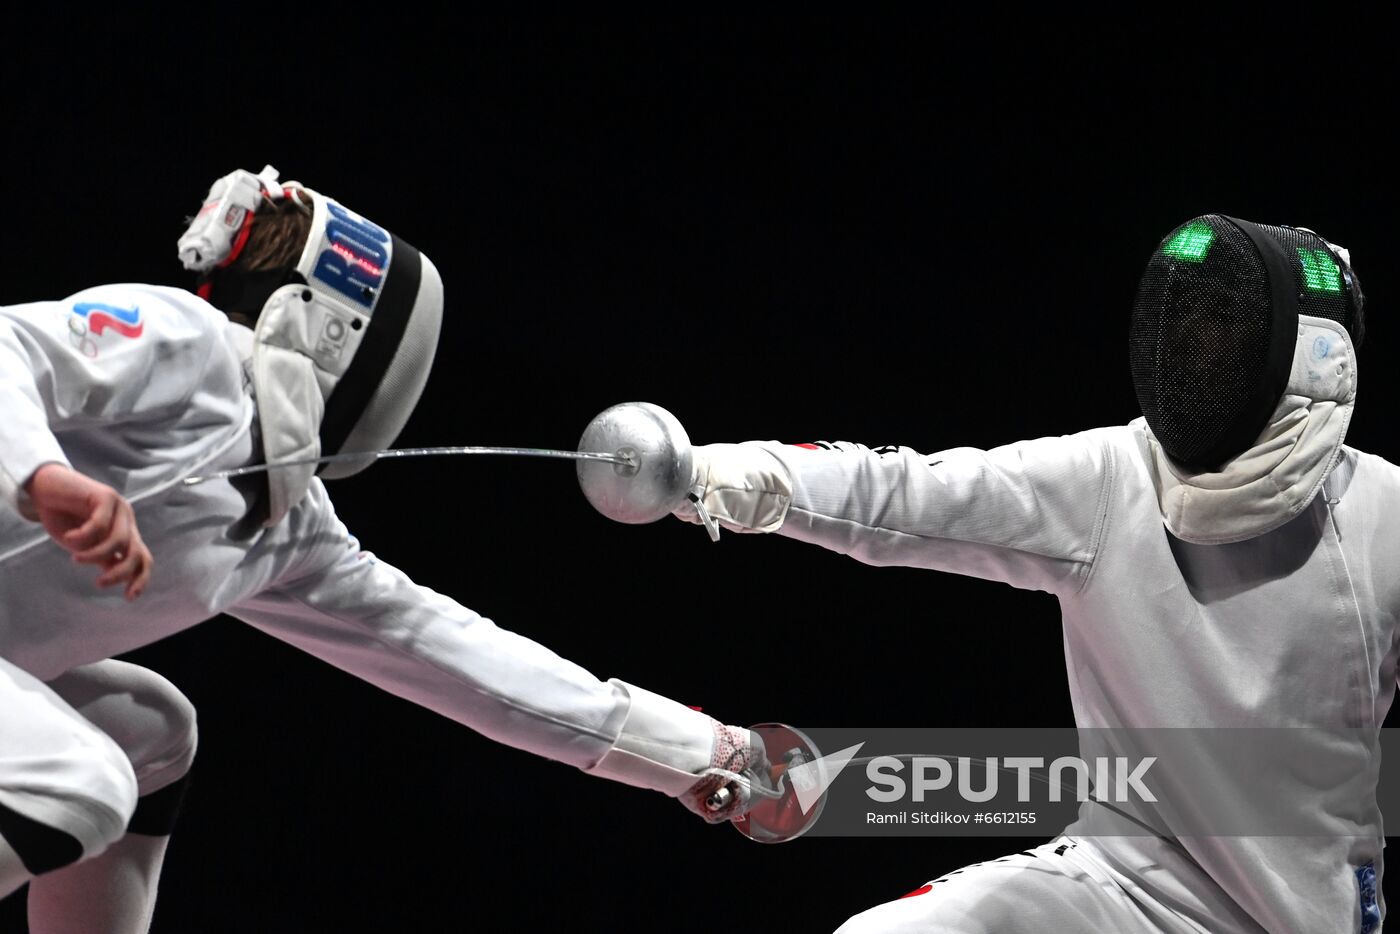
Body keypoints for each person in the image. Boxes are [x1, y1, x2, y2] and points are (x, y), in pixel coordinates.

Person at [0, 166, 767, 933]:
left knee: (152, 734)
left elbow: (467, 664)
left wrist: (704, 754)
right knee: (83, 778)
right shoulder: (192, 341)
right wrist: (44, 476)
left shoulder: (288, 532)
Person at [675, 215, 1388, 933]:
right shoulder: (1115, 479)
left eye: (1222, 327)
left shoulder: (1381, 517)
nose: (1194, 347)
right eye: (1189, 324)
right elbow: (907, 494)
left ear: (1307, 362)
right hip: (1119, 887)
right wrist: (714, 475)